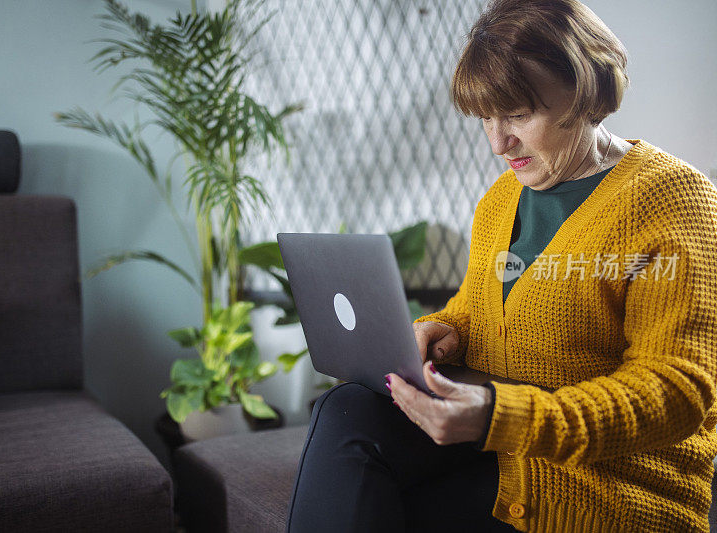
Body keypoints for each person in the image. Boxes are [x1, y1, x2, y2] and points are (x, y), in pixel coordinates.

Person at [285, 0, 717, 531]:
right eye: (486, 118)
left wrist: (498, 416)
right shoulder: (500, 200)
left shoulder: (672, 199)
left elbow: (676, 392)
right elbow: (480, 309)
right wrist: (443, 330)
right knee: (347, 409)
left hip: (602, 485)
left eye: (516, 114)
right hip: (498, 452)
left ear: (586, 90)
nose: (497, 142)